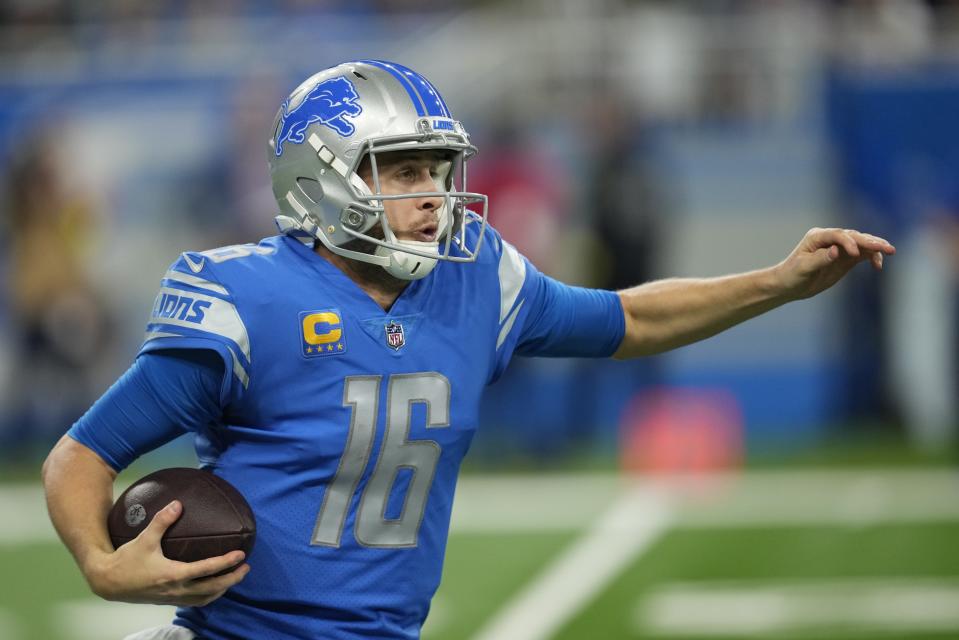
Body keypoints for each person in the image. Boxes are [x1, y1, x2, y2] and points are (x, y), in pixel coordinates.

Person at [41, 60, 895, 640]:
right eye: (403, 172)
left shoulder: (474, 275)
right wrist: (104, 568)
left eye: (438, 171)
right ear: (319, 177)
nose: (433, 196)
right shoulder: (247, 299)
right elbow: (82, 455)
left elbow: (626, 320)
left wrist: (777, 282)